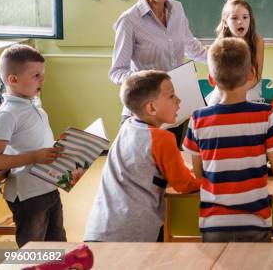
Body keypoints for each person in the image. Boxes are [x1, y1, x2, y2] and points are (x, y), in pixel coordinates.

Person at [184, 37, 273, 242]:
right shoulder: (266, 114)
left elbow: (199, 172)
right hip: (255, 221)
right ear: (251, 75)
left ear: (211, 80)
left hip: (213, 223)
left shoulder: (197, 119)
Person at [84, 70, 201, 242]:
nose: (179, 101)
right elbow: (185, 184)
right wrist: (212, 181)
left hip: (100, 227)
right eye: (171, 96)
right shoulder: (162, 139)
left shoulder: (128, 126)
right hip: (132, 233)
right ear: (151, 107)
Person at [108, 0, 207, 146]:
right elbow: (116, 72)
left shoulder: (177, 9)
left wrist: (224, 62)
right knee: (143, 174)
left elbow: (193, 48)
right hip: (144, 115)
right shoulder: (129, 20)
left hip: (172, 112)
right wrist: (146, 80)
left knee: (168, 171)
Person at [0, 44, 66, 247]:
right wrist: (34, 157)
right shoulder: (7, 114)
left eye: (42, 74)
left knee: (58, 244)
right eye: (36, 75)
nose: (42, 80)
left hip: (48, 187)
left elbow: (34, 144)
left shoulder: (34, 107)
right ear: (13, 80)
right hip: (27, 195)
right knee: (34, 249)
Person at [206, 0, 264, 105]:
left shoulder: (257, 41)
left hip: (250, 84)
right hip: (226, 86)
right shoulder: (220, 41)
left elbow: (257, 75)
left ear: (250, 20)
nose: (240, 22)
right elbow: (215, 74)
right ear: (225, 22)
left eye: (245, 17)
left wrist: (240, 91)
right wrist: (230, 91)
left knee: (247, 104)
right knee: (212, 105)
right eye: (234, 18)